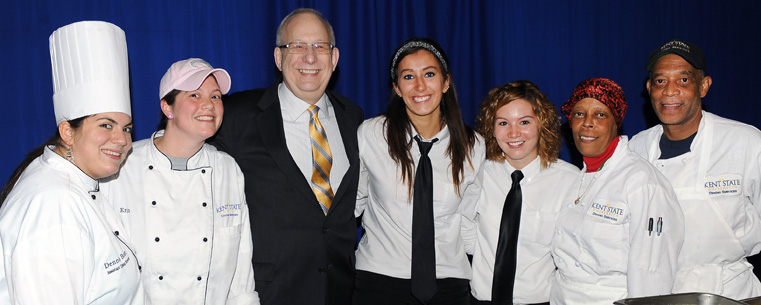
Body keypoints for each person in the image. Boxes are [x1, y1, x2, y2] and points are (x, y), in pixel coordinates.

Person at [209, 8, 364, 305]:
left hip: (340, 290)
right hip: (269, 292)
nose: (309, 57)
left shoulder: (353, 117)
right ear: (279, 58)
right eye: (297, 46)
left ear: (334, 58)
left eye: (320, 46)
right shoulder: (237, 115)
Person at [0, 21, 143, 304]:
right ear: (67, 132)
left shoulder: (76, 183)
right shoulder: (53, 205)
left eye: (126, 128)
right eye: (106, 125)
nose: (122, 140)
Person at [100, 58, 260, 304]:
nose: (208, 105)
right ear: (168, 107)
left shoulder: (227, 169)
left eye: (216, 96)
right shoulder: (123, 167)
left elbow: (241, 265)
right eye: (195, 95)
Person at [353, 38, 485, 305]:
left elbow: (469, 221)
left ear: (446, 82)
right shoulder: (371, 133)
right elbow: (352, 202)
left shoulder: (473, 145)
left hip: (449, 284)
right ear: (397, 88)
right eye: (408, 76)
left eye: (429, 74)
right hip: (379, 281)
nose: (420, 86)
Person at [630, 39, 761, 299]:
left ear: (703, 86)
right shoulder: (637, 148)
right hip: (655, 293)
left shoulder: (746, 142)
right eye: (660, 81)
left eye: (683, 80)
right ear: (649, 88)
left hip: (729, 292)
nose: (669, 91)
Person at [551, 77, 684, 304]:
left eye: (600, 115)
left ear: (616, 123)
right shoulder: (576, 178)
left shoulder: (642, 182)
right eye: (579, 114)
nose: (587, 123)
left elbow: (652, 271)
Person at [468, 80, 579, 305]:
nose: (513, 133)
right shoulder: (477, 173)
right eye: (503, 123)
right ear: (491, 127)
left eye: (524, 122)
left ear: (542, 124)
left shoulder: (569, 180)